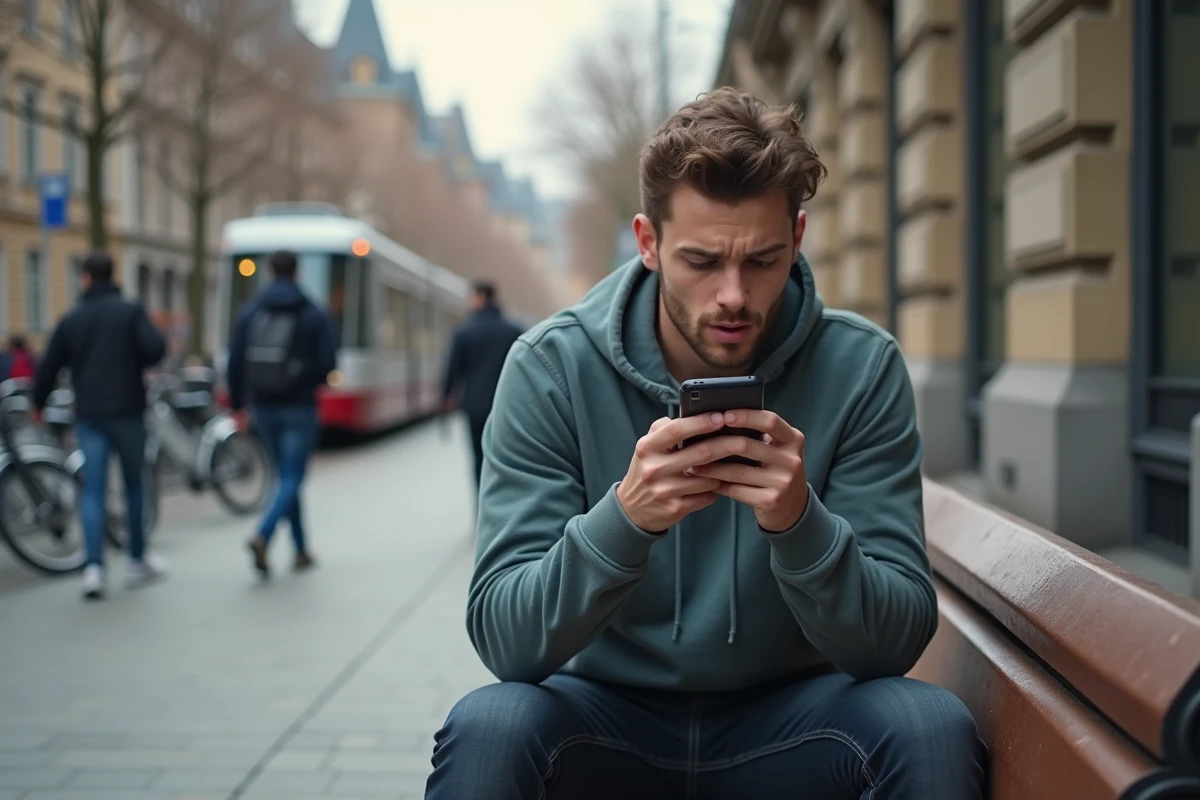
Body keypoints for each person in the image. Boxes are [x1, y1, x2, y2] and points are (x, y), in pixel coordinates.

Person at [425, 88, 986, 799]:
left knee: (927, 725)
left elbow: (894, 644)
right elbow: (507, 642)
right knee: (491, 726)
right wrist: (623, 520)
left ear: (799, 239)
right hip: (605, 718)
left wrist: (799, 524)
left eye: (762, 260)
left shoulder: (861, 367)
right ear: (648, 242)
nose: (733, 295)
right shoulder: (551, 368)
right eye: (701, 260)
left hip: (796, 721)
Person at [32, 251, 168, 601]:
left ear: (86, 278)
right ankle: (136, 560)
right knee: (133, 484)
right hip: (128, 410)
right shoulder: (130, 311)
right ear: (113, 275)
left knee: (92, 489)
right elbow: (155, 349)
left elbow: (49, 365)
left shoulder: (73, 318)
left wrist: (37, 403)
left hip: (90, 413)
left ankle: (94, 567)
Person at [227, 250, 337, 578]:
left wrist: (237, 406)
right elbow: (328, 364)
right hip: (300, 407)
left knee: (283, 478)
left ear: (269, 272)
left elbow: (235, 362)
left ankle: (301, 549)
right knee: (291, 478)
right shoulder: (314, 314)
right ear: (298, 272)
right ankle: (264, 534)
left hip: (262, 407)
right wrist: (304, 379)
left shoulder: (250, 312)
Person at [440, 281, 523, 490]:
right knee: (504, 458)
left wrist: (446, 399)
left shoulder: (464, 332)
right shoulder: (512, 331)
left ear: (479, 298)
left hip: (474, 406)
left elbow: (453, 370)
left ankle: (482, 509)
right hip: (505, 405)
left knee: (478, 458)